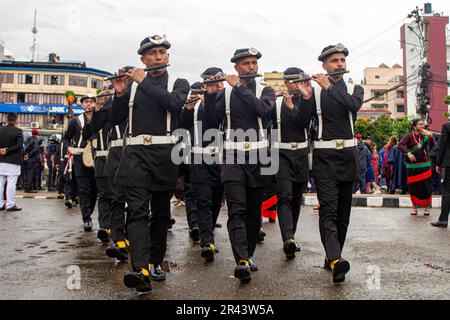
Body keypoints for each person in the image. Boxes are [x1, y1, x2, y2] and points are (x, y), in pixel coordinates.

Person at [110, 34, 189, 293]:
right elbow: (116, 120)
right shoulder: (132, 85)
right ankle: (140, 269)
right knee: (137, 211)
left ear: (168, 57)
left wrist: (142, 82)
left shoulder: (179, 82)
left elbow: (173, 104)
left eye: (162, 52)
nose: (158, 57)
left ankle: (156, 261)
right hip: (134, 155)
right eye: (152, 53)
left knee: (161, 214)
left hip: (164, 154)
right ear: (143, 59)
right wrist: (120, 95)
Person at [204, 47, 276, 282]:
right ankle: (241, 260)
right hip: (232, 157)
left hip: (257, 157)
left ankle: (249, 254)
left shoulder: (266, 90)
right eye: (246, 64)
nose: (251, 67)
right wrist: (212, 91)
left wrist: (238, 87)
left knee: (254, 213)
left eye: (254, 63)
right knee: (237, 208)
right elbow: (210, 121)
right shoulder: (225, 94)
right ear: (236, 67)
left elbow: (262, 109)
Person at [308, 43, 364, 283]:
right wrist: (300, 98)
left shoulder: (355, 88)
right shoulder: (314, 91)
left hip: (348, 157)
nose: (340, 64)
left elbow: (352, 106)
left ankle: (332, 256)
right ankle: (336, 259)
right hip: (324, 159)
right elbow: (302, 120)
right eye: (334, 61)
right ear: (324, 65)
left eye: (342, 60)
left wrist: (329, 87)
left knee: (343, 215)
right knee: (328, 211)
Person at [179, 75, 225, 261]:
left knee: (215, 201)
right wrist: (187, 109)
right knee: (203, 201)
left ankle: (209, 231)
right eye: (198, 92)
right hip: (198, 159)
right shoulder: (193, 107)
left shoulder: (224, 104)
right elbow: (180, 127)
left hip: (221, 159)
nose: (200, 95)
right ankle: (207, 242)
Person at [270, 67, 313, 259]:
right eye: (293, 81)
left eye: (300, 81)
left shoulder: (307, 100)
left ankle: (291, 235)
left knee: (296, 198)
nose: (297, 85)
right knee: (285, 196)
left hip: (302, 154)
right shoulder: (275, 102)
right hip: (281, 153)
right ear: (286, 83)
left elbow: (305, 122)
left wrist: (293, 107)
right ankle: (287, 238)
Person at [63, 95, 98, 231]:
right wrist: (68, 148)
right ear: (81, 105)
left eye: (91, 101)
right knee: (83, 188)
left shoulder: (100, 119)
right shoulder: (75, 121)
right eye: (86, 102)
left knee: (95, 189)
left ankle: (89, 212)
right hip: (80, 156)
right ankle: (86, 218)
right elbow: (66, 139)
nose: (89, 104)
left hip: (96, 157)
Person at [398, 118, 435, 216]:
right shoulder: (409, 136)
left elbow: (434, 146)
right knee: (413, 187)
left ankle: (427, 208)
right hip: (412, 166)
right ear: (414, 126)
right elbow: (400, 145)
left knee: (426, 186)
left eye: (423, 124)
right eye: (420, 124)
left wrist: (430, 137)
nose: (422, 126)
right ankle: (414, 208)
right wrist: (408, 153)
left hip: (425, 165)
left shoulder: (427, 135)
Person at [0, 113, 23, 211]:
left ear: (7, 119)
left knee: (0, 183)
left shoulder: (0, 130)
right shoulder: (18, 131)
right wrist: (7, 150)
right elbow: (19, 145)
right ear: (15, 120)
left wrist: (2, 150)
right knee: (11, 184)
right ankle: (10, 204)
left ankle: (0, 204)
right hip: (13, 161)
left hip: (1, 160)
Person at [432, 121, 450, 228]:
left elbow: (442, 145)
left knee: (448, 191)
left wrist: (438, 163)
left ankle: (443, 220)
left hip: (449, 163)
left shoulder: (447, 126)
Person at [23, 129, 40, 193]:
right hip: (32, 159)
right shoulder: (35, 140)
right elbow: (36, 149)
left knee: (27, 173)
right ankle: (28, 188)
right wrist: (29, 155)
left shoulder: (28, 139)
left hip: (27, 160)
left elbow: (25, 148)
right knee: (30, 173)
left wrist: (25, 155)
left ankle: (27, 187)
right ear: (36, 135)